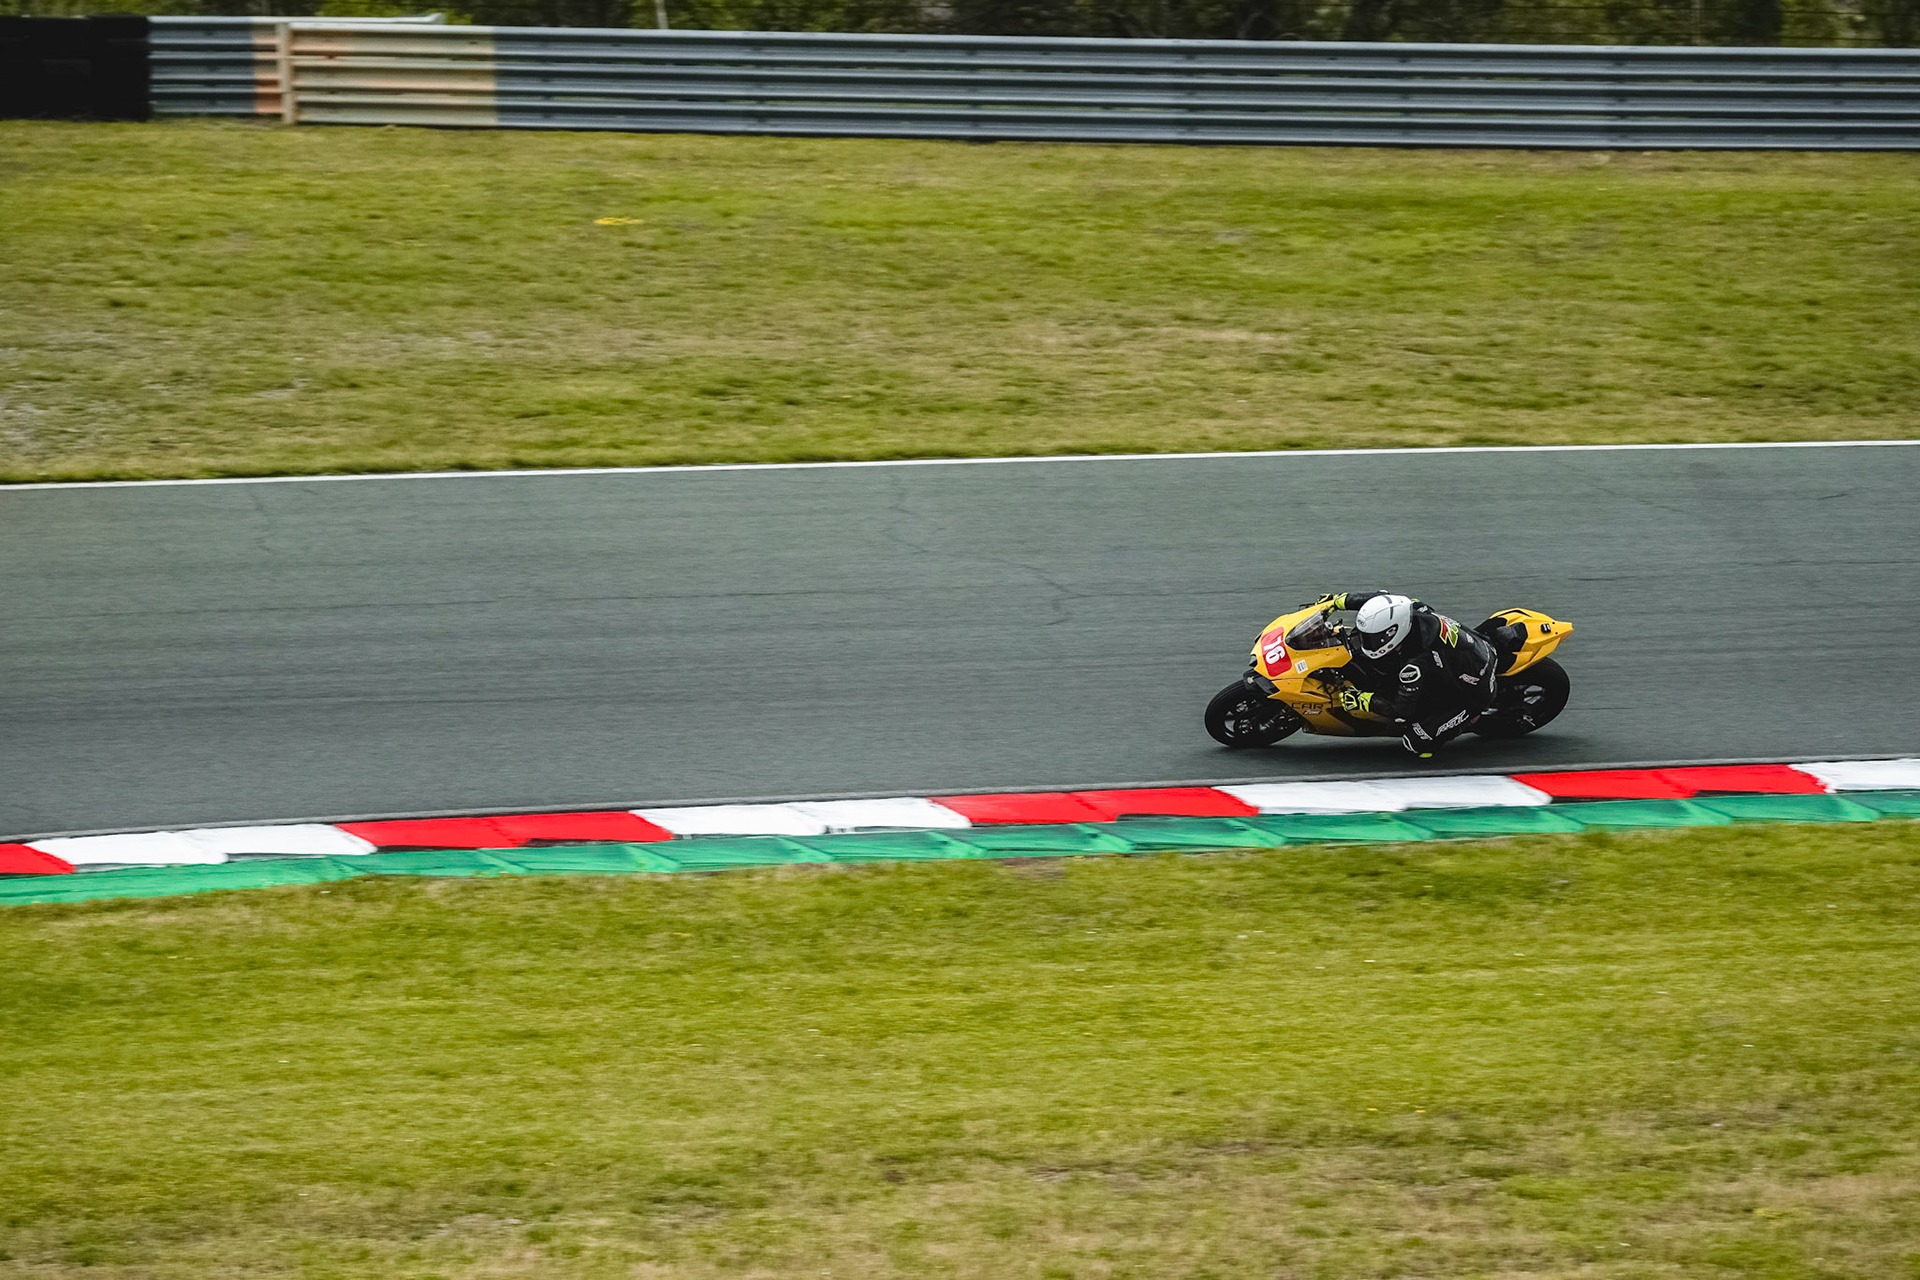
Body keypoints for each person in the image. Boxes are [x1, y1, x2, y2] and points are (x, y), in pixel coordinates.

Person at [1313, 590, 1507, 758]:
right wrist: (1338, 601)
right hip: (1472, 650)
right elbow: (1380, 599)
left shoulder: (1415, 664)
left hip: (1473, 693)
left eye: (1371, 638)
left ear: (1393, 633)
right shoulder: (1409, 608)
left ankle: (1472, 720)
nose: (1365, 641)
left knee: (1417, 741)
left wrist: (1364, 700)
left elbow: (1401, 709)